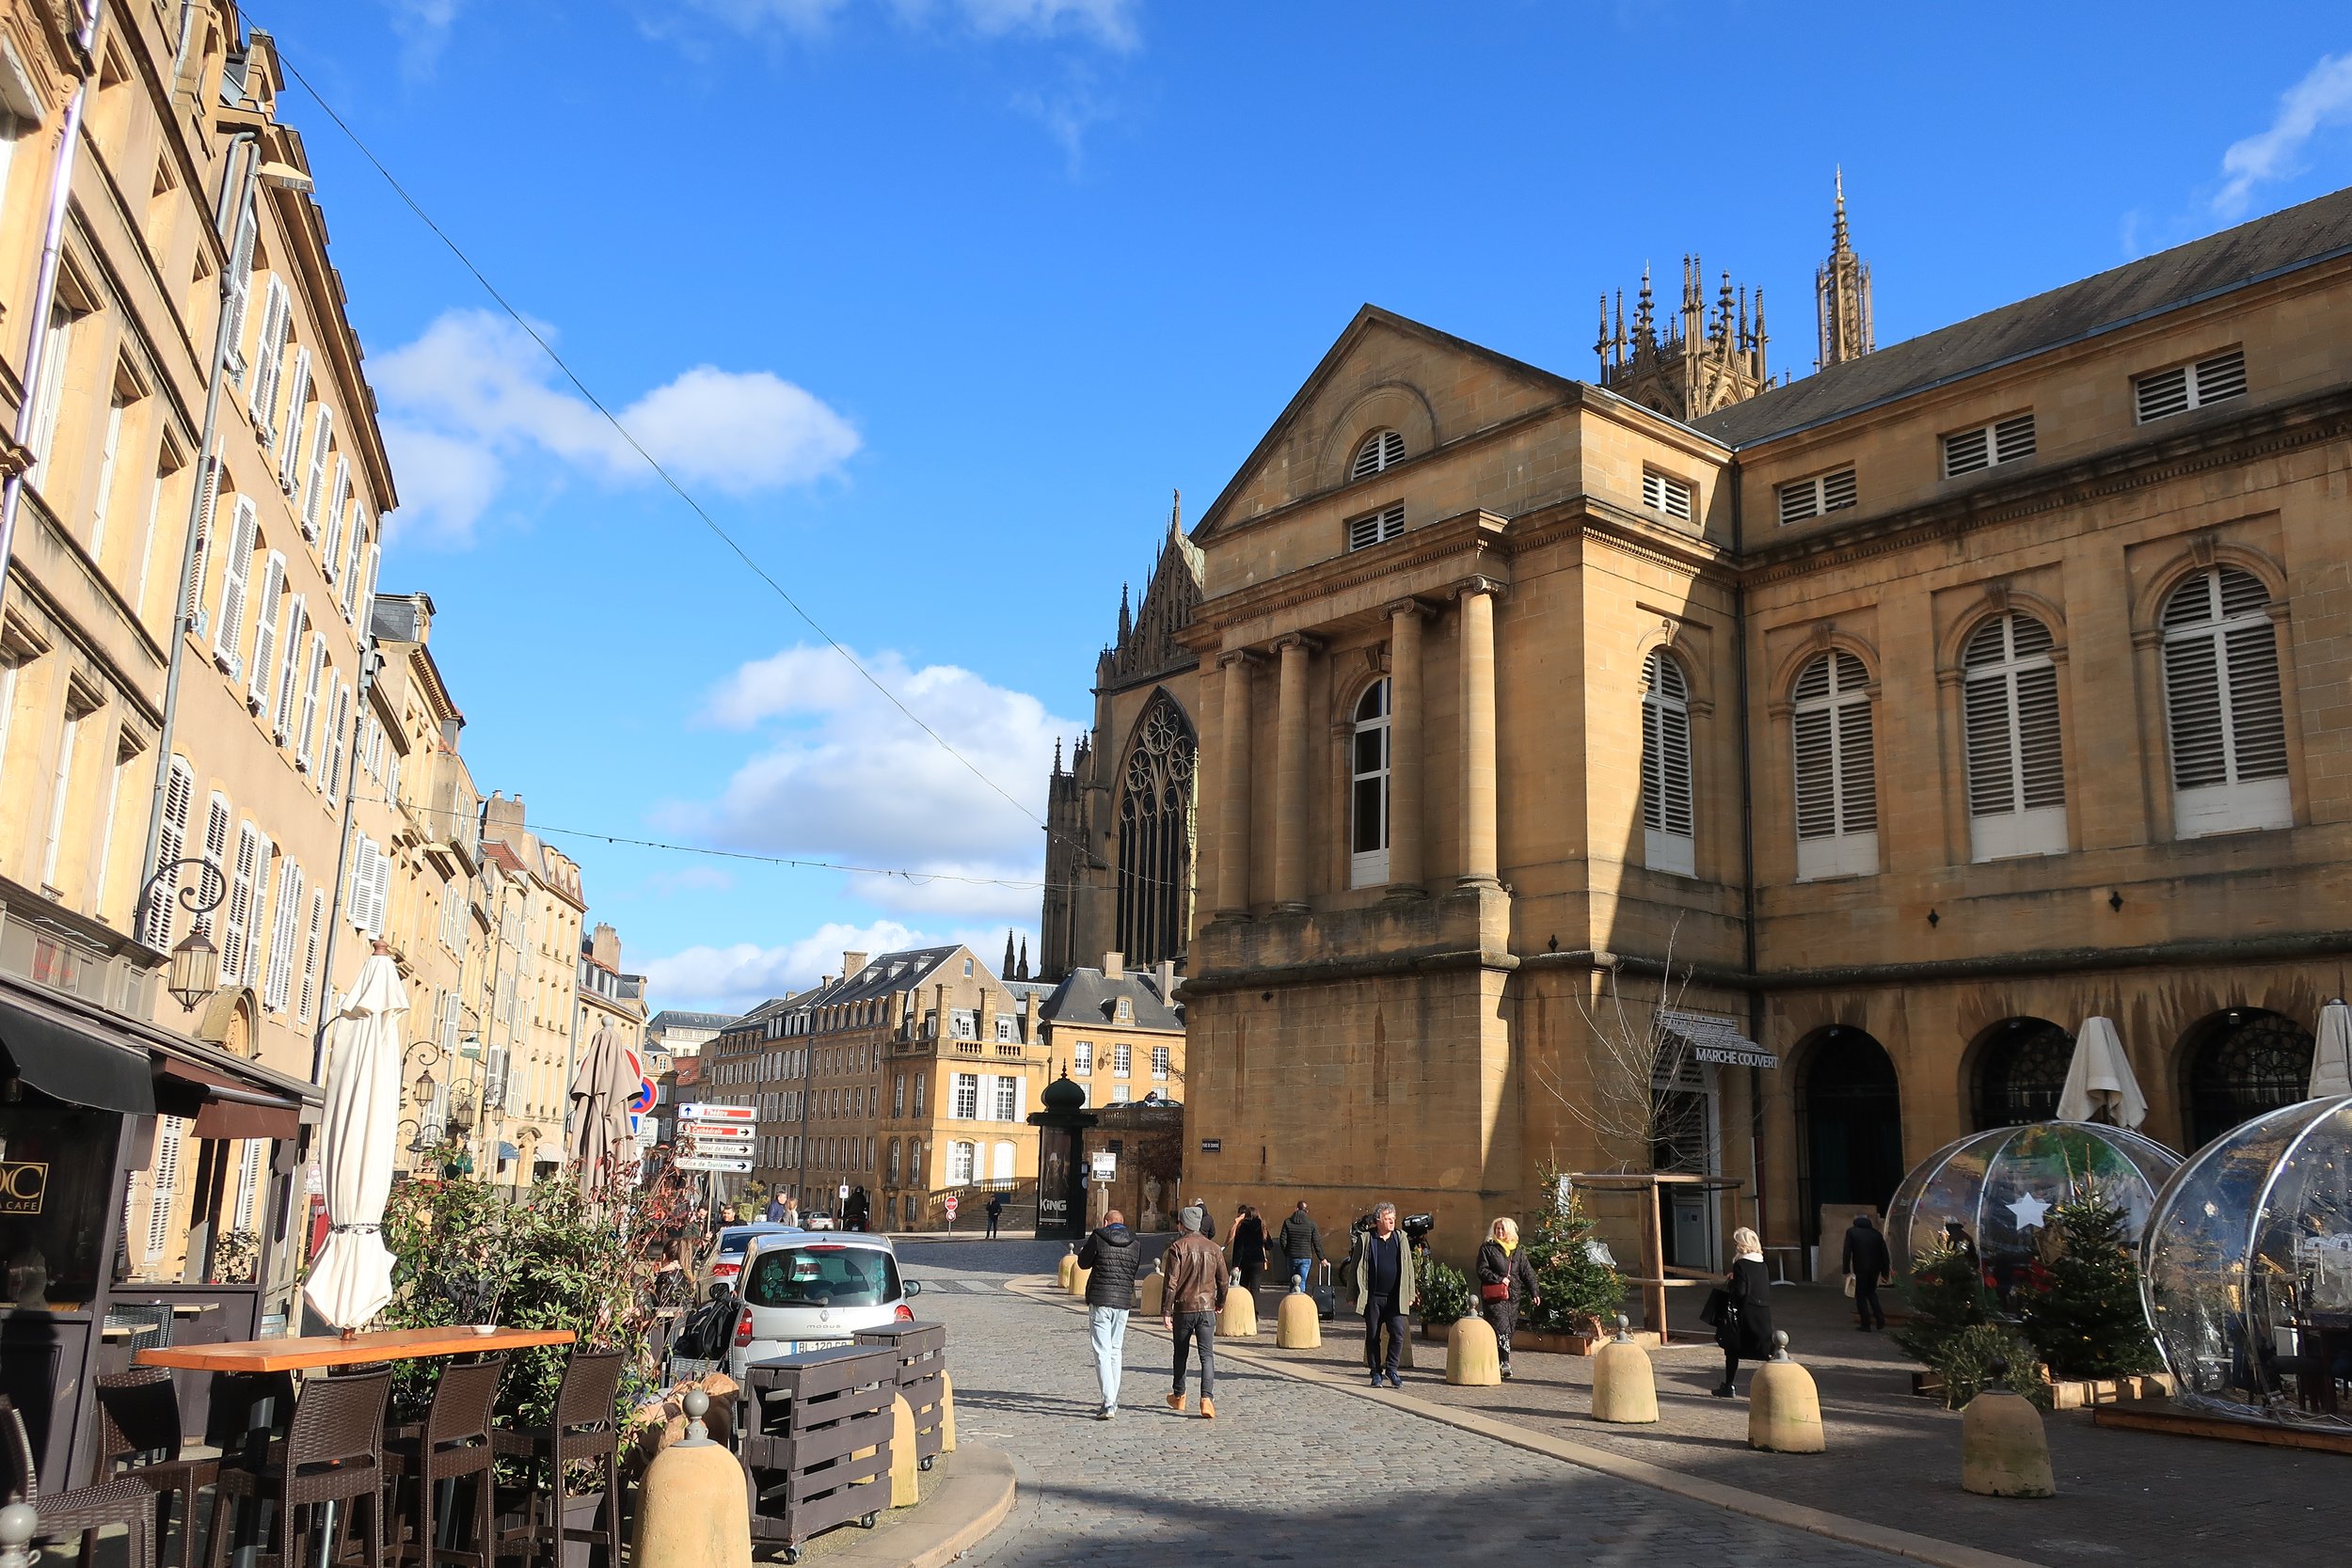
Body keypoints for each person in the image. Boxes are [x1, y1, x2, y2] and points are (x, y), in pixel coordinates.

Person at [1159, 1205, 1228, 1418]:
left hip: (1184, 1308)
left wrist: (1166, 1310)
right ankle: (1206, 1399)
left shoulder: (1177, 1248)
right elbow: (1223, 1281)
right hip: (1207, 1307)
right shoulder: (1214, 1249)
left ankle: (1180, 1396)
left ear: (1183, 1225)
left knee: (1181, 1353)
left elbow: (1171, 1282)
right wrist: (1220, 1302)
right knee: (1206, 1355)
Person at [1076, 1208, 1141, 1419]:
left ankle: (1108, 1402)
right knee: (1116, 1350)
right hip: (1123, 1301)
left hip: (1101, 1299)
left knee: (1102, 1351)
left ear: (1106, 1222)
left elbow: (1082, 1262)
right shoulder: (1135, 1243)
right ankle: (1113, 1398)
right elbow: (1133, 1269)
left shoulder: (1098, 1237)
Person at [1352, 1201, 1417, 1387]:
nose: (1391, 1223)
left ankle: (1392, 1369)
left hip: (1395, 1297)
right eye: (1388, 1219)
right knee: (1373, 1335)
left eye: (1393, 1219)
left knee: (1398, 1333)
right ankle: (1375, 1372)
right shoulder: (1367, 1239)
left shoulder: (1400, 1238)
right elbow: (1355, 1268)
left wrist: (1410, 1293)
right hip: (1373, 1297)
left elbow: (1409, 1268)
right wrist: (1352, 1294)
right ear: (1378, 1220)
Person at [1712, 1226, 1776, 1397]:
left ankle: (1729, 1385)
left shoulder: (1741, 1265)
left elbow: (1740, 1291)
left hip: (1746, 1312)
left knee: (1732, 1348)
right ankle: (1776, 1383)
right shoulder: (1762, 1264)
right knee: (1766, 1348)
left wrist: (1732, 1281)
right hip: (1763, 1310)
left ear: (1742, 1245)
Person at [1474, 1217, 1541, 1379]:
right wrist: (1499, 1278)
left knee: (1509, 1330)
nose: (1499, 1232)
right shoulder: (1487, 1248)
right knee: (1502, 1327)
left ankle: (1496, 1359)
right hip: (1495, 1297)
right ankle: (1505, 1363)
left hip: (1513, 1297)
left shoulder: (1517, 1251)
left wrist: (1535, 1292)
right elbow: (1481, 1270)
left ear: (1510, 1231)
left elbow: (1528, 1273)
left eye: (1503, 1229)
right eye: (1497, 1229)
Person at [1841, 1212, 1892, 1332]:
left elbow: (1847, 1252)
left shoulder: (1852, 1232)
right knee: (1871, 1293)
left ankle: (1866, 1324)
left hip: (1860, 1268)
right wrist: (1885, 1273)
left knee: (1861, 1296)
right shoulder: (1876, 1234)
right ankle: (1880, 1318)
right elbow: (1885, 1254)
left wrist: (1846, 1269)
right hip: (1875, 1269)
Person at [1279, 1200, 1324, 1292]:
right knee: (1302, 1280)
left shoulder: (1287, 1222)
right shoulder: (1311, 1224)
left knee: (1292, 1280)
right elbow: (1317, 1242)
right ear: (1307, 1211)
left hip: (1292, 1256)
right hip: (1306, 1256)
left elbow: (1282, 1240)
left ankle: (1292, 1299)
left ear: (1296, 1209)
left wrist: (1287, 1252)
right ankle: (1300, 1300)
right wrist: (1322, 1258)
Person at [1231, 1205, 1268, 1296]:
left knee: (1244, 1286)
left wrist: (1235, 1264)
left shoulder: (1242, 1226)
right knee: (1255, 1288)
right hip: (1259, 1260)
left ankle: (1245, 1307)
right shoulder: (1261, 1225)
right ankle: (1255, 1309)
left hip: (1246, 1260)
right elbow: (1269, 1244)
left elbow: (1238, 1247)